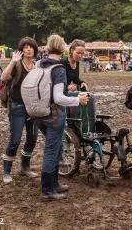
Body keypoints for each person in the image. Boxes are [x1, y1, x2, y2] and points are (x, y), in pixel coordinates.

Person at [35, 34, 89, 200]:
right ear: (64, 47)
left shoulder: (40, 64)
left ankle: (55, 183)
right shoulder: (58, 68)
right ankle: (47, 190)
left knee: (57, 148)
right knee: (51, 151)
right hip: (54, 114)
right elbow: (58, 97)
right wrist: (77, 100)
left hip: (39, 113)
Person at [1, 37, 39, 183]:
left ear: (34, 50)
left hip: (32, 107)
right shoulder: (17, 64)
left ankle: (25, 167)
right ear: (21, 50)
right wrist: (12, 61)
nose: (29, 49)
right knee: (15, 139)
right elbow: (4, 78)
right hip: (17, 106)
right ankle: (6, 171)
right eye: (26, 47)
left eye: (31, 47)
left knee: (32, 138)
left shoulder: (36, 67)